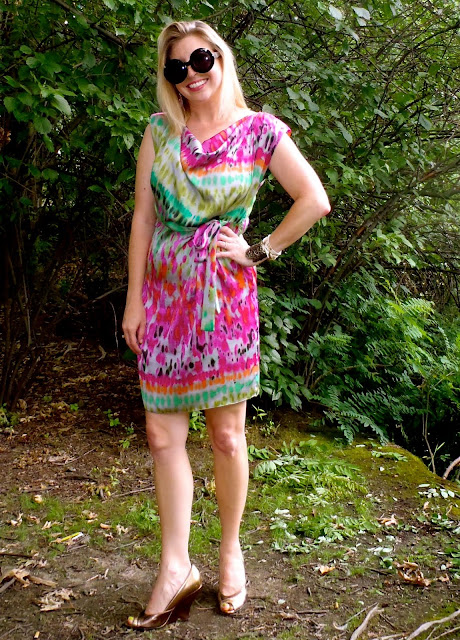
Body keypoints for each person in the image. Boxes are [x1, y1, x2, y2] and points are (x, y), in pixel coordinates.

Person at [122, 19, 330, 630]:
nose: (191, 74)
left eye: (201, 60)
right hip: (163, 295)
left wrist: (259, 250)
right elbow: (142, 219)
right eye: (177, 68)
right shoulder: (159, 132)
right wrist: (134, 300)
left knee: (227, 436)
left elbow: (313, 199)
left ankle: (231, 550)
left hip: (225, 297)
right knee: (162, 435)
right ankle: (175, 567)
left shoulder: (260, 130)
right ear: (169, 79)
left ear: (220, 58)